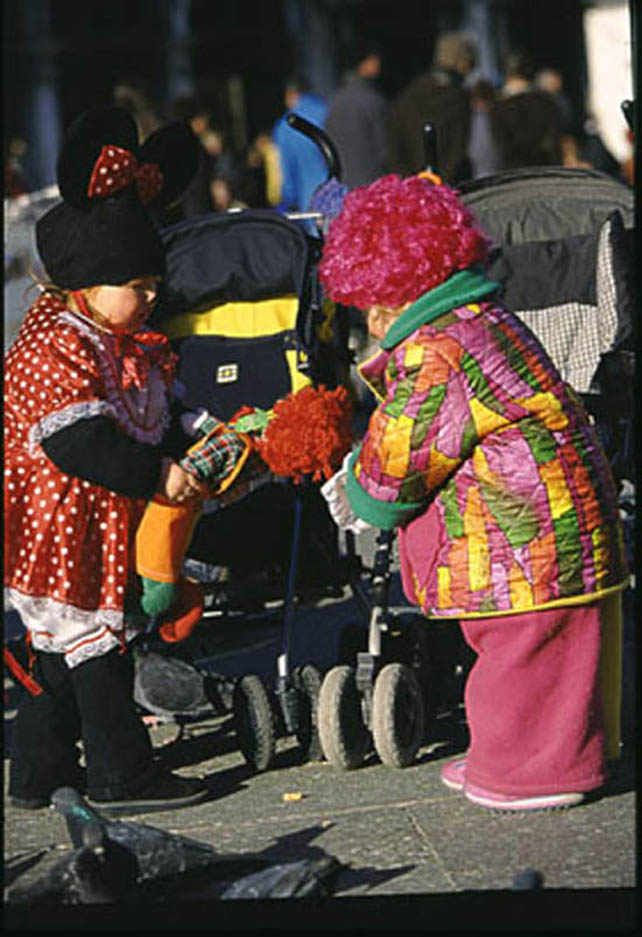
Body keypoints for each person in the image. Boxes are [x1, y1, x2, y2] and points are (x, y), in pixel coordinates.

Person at [318, 173, 628, 811]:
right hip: (565, 530)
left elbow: (399, 458)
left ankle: (534, 774)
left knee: (520, 657)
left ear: (403, 292)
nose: (373, 321)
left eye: (377, 304)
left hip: (523, 543)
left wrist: (358, 485)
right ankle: (534, 754)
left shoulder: (439, 352)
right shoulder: (487, 321)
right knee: (553, 658)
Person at [3, 107, 247, 814]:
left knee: (57, 656)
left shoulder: (116, 338)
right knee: (98, 654)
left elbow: (155, 411)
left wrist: (193, 436)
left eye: (151, 285)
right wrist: (156, 473)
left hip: (91, 522)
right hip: (60, 530)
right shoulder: (54, 344)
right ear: (88, 276)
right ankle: (121, 773)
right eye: (136, 286)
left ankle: (36, 772)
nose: (149, 299)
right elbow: (73, 438)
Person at [387, 31, 477, 183]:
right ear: (461, 62)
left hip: (413, 185)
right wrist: (441, 182)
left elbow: (394, 146)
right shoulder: (457, 96)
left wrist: (411, 182)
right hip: (451, 186)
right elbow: (459, 146)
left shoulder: (408, 95)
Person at [324, 38, 388, 189]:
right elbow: (384, 150)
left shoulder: (334, 101)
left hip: (342, 187)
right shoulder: (373, 100)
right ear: (365, 63)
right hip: (372, 187)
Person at [490, 50, 563, 169]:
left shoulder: (498, 109)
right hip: (546, 172)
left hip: (514, 176)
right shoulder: (548, 104)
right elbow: (554, 146)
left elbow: (500, 150)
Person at [271, 76, 328, 212]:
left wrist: (288, 201)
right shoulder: (327, 112)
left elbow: (287, 172)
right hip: (340, 196)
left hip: (309, 202)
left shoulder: (286, 125)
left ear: (290, 95)